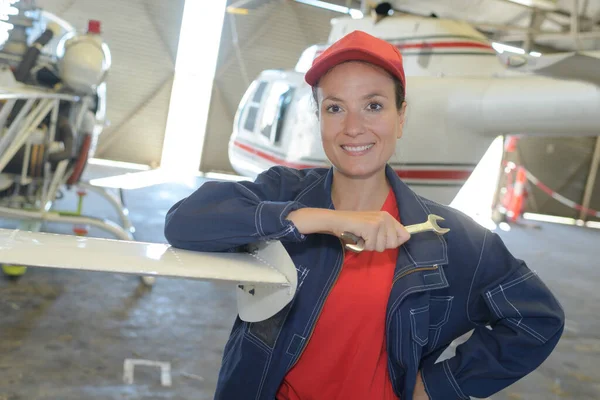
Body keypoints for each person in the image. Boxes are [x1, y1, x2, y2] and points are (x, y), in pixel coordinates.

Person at [164, 30, 565, 400]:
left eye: (373, 105)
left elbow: (536, 320)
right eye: (335, 107)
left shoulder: (450, 238)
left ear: (401, 117)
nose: (353, 127)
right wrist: (318, 219)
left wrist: (439, 385)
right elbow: (184, 221)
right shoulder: (282, 192)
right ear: (319, 118)